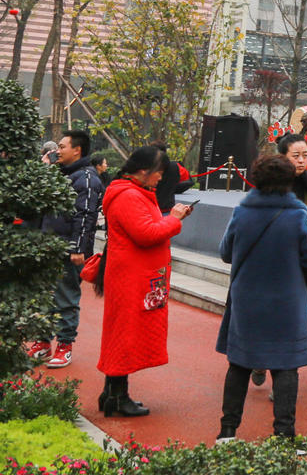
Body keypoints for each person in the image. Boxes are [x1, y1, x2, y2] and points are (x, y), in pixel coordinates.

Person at [215, 154, 307, 441]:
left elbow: (226, 252)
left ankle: (227, 432)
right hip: (287, 301)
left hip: (246, 299)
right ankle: (283, 434)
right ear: (290, 180)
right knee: (285, 365)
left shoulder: (242, 211)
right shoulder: (297, 214)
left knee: (240, 363)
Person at [97, 145, 193, 417]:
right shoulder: (129, 196)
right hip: (131, 277)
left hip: (133, 274)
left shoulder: (134, 193)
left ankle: (113, 394)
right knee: (125, 336)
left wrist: (172, 219)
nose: (161, 178)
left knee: (123, 334)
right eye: (159, 173)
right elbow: (147, 234)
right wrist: (173, 220)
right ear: (142, 171)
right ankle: (117, 397)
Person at [35, 129, 104, 368]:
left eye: (62, 147)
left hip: (68, 249)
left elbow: (86, 216)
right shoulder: (62, 173)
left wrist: (77, 248)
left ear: (77, 150)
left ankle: (64, 346)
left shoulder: (86, 178)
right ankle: (42, 343)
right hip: (49, 245)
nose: (57, 151)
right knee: (44, 296)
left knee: (65, 297)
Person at [151, 142, 195, 214]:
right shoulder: (176, 166)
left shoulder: (145, 168)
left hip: (150, 211)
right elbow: (189, 181)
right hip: (168, 210)